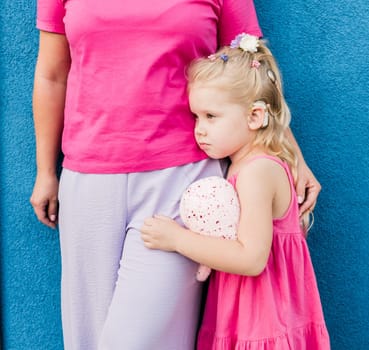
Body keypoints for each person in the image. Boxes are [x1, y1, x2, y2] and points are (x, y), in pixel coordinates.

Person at [29, 2, 321, 350]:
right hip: (89, 177)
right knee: (88, 340)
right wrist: (46, 170)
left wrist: (291, 154)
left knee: (135, 342)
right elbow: (52, 74)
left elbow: (252, 77)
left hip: (185, 184)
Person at [140, 33, 330, 349]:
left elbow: (251, 258)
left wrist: (176, 238)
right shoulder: (243, 166)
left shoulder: (258, 171)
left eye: (211, 116)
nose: (199, 128)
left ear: (255, 116)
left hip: (263, 322)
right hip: (246, 316)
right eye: (196, 116)